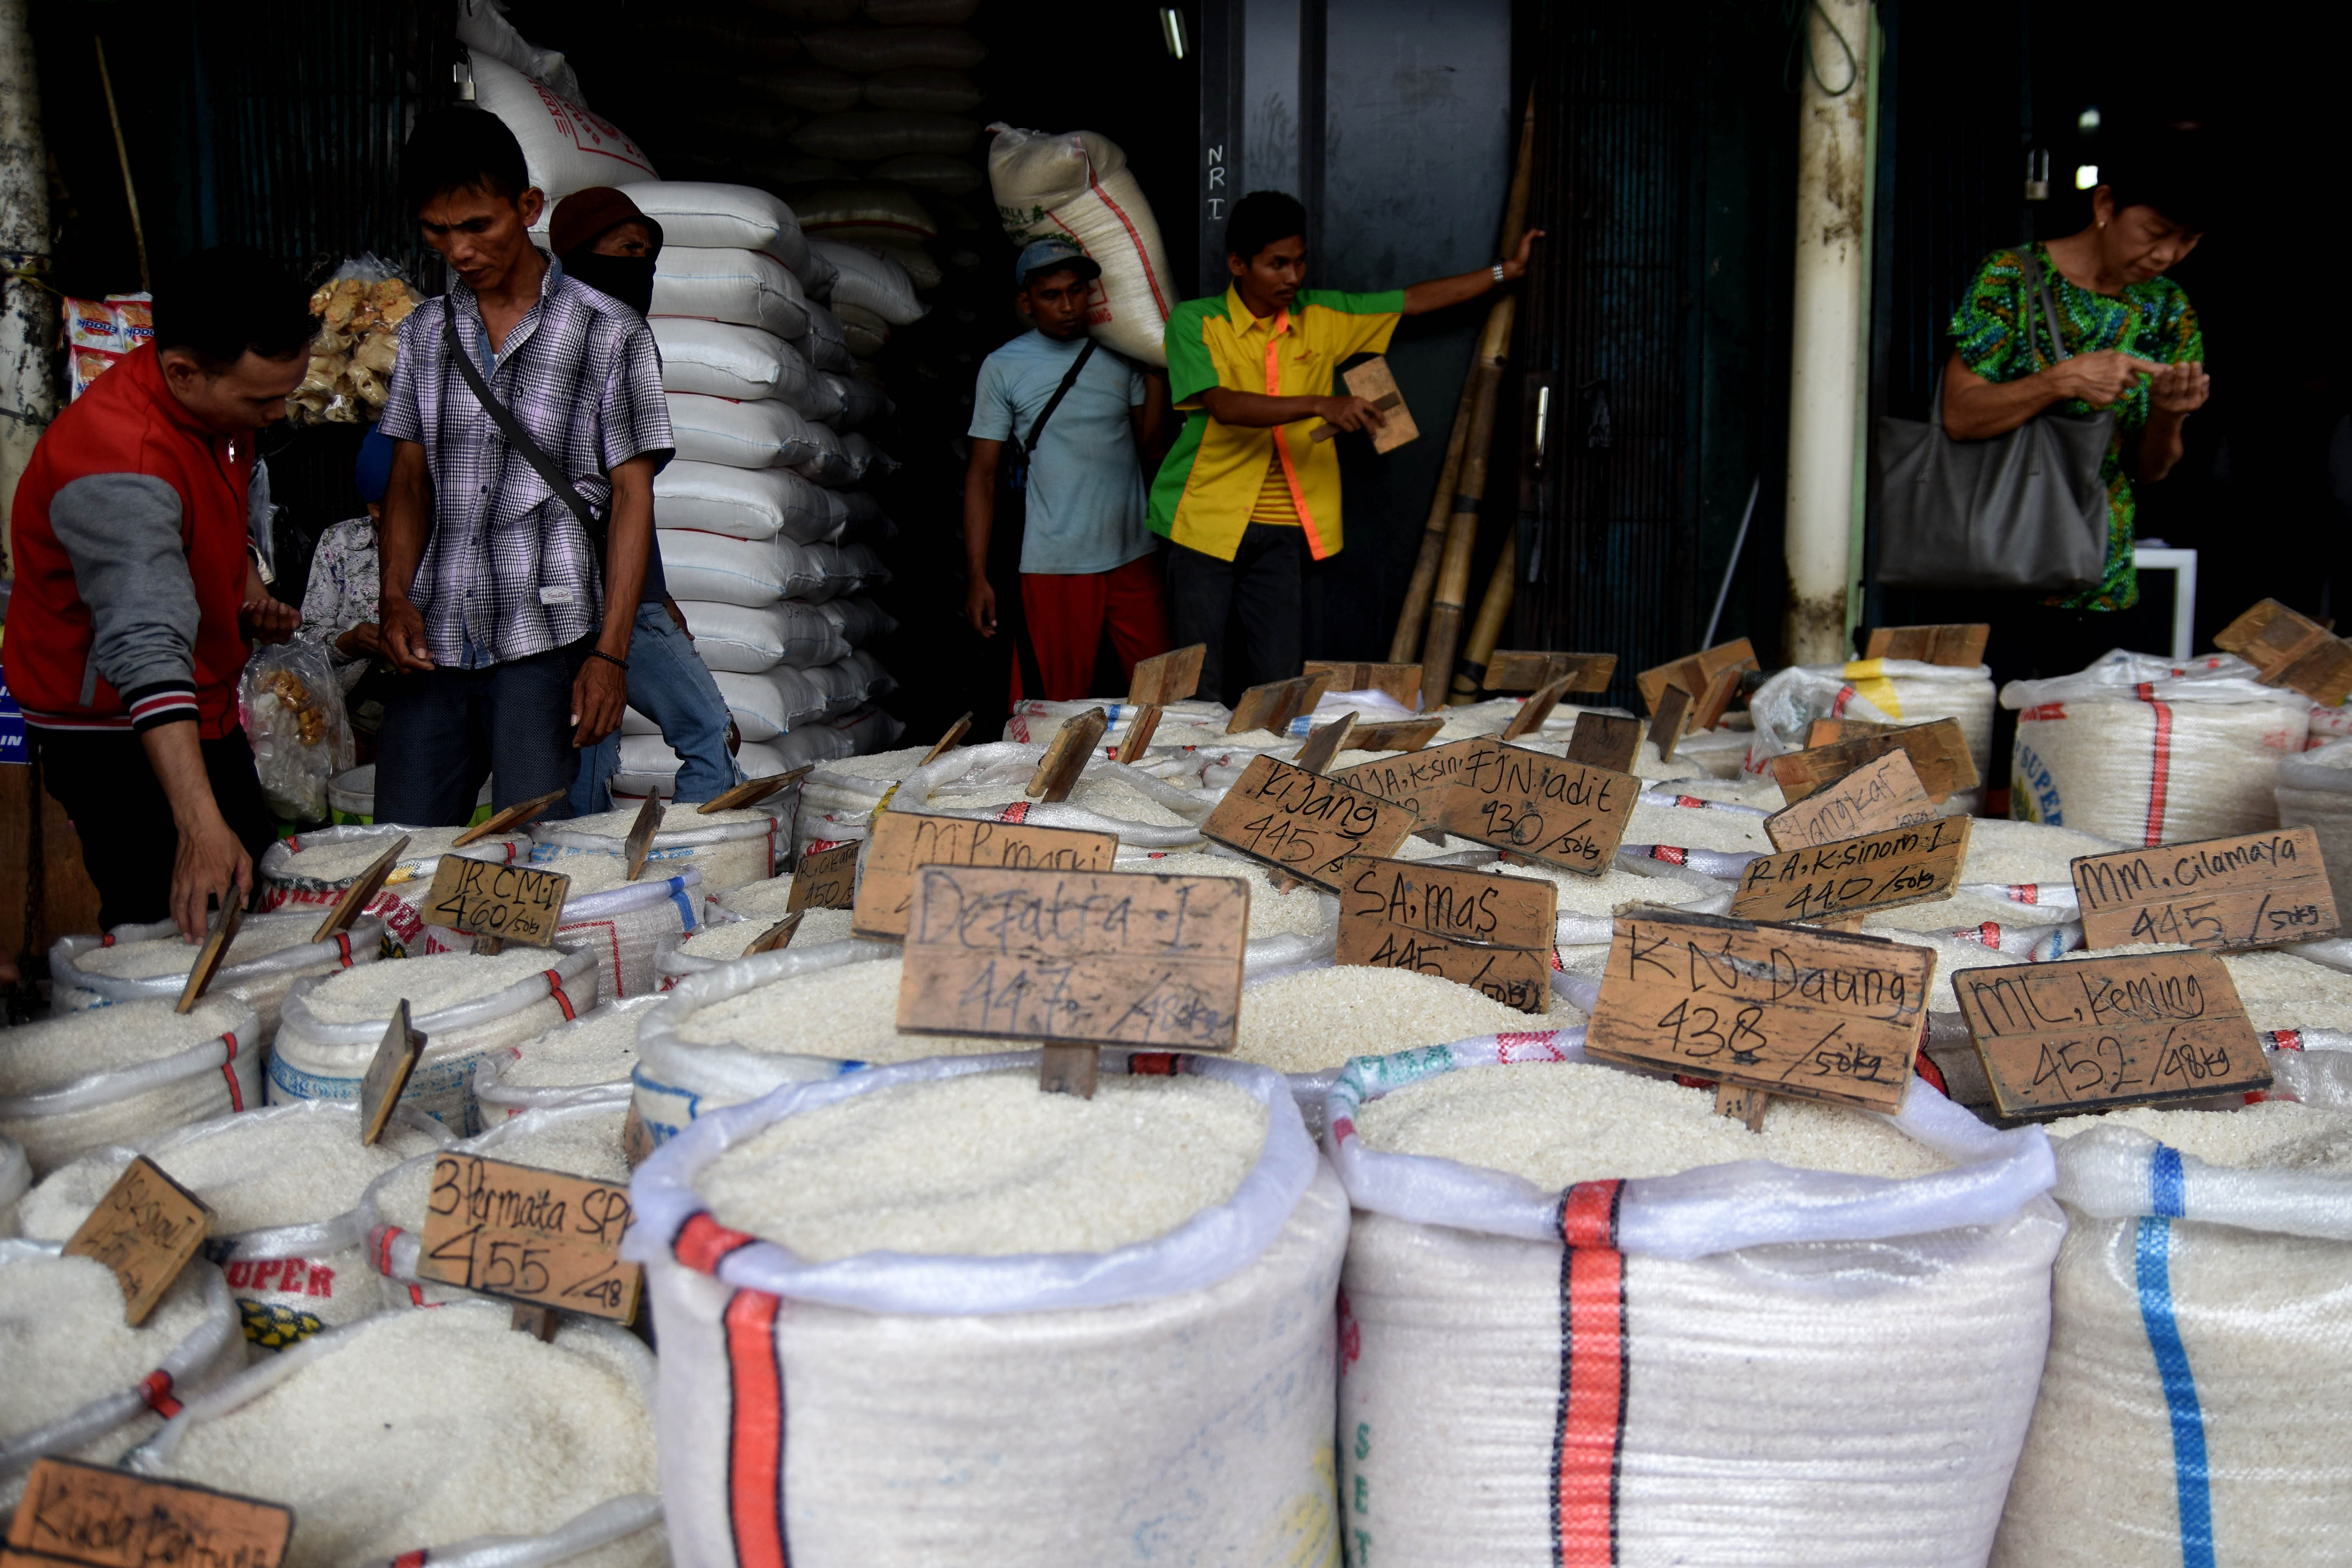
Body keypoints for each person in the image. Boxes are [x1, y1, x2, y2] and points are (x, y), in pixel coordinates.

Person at [373, 109, 673, 825]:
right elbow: (409, 480)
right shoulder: (422, 335)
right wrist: (394, 599)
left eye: (478, 226)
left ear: (528, 207)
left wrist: (611, 656)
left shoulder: (611, 333)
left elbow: (634, 501)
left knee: (534, 858)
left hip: (548, 644)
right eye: (437, 232)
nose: (459, 250)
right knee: (403, 855)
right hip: (436, 643)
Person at [3, 246, 309, 938]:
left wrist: (245, 592)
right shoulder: (121, 459)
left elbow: (212, 527)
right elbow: (144, 641)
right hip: (115, 729)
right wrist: (198, 821)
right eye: (263, 399)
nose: (279, 413)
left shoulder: (219, 413)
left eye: (288, 391)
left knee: (252, 899)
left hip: (200, 701)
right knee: (170, 924)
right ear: (182, 372)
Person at [1150, 191, 1542, 697]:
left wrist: (1504, 273)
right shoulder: (1196, 322)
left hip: (1285, 526)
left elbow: (1413, 301)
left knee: (1280, 684)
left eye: (1300, 261)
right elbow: (1224, 407)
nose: (1294, 277)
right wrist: (1321, 403)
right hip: (1202, 521)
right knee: (1197, 683)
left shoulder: (1325, 316)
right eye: (1277, 265)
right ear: (1238, 265)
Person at [1941, 131, 2211, 621]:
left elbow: (2151, 471)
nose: (2167, 255)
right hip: (1994, 568)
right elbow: (1959, 416)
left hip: (2098, 575)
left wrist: (2170, 414)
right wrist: (2061, 381)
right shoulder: (2012, 277)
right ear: (2105, 204)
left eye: (2187, 240)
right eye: (2156, 232)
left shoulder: (2169, 310)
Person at [546, 185, 741, 810]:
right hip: (599, 593)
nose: (644, 266)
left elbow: (624, 491)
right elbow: (614, 493)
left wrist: (661, 592)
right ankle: (683, 859)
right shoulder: (596, 338)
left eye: (650, 253)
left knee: (600, 740)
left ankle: (607, 868)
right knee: (698, 732)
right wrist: (647, 602)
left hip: (611, 588)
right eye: (628, 249)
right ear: (580, 253)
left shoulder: (586, 336)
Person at [963, 237, 1171, 702]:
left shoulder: (1121, 353)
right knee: (1050, 710)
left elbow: (1152, 446)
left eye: (1077, 291)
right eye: (1052, 296)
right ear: (1026, 302)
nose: (1068, 306)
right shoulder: (1004, 367)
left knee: (1162, 701)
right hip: (1054, 564)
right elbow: (983, 476)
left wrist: (1156, 367)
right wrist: (978, 575)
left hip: (1132, 555)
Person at [294, 427, 394, 754]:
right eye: (378, 507)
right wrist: (348, 642)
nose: (390, 517)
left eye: (400, 504)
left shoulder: (449, 545)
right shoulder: (340, 542)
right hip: (355, 712)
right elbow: (306, 639)